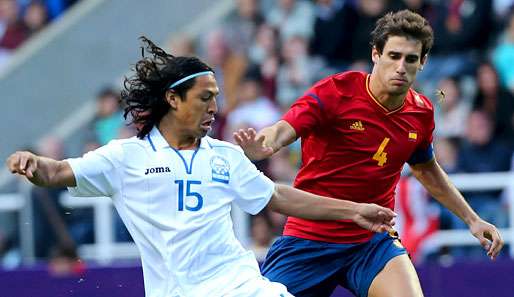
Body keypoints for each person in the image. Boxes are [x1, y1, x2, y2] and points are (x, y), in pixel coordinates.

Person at [5, 37, 397, 297]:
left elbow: (277, 196)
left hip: (241, 285)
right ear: (173, 99)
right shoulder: (125, 157)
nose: (214, 107)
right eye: (205, 97)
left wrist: (354, 211)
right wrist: (32, 162)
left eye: (217, 98)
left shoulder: (223, 155)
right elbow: (56, 172)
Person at [234, 10, 504, 297]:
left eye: (411, 59)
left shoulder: (421, 112)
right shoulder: (335, 92)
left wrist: (472, 219)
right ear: (376, 54)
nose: (401, 67)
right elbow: (282, 129)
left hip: (372, 242)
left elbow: (427, 169)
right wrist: (265, 144)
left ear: (423, 62)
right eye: (393, 55)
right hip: (309, 238)